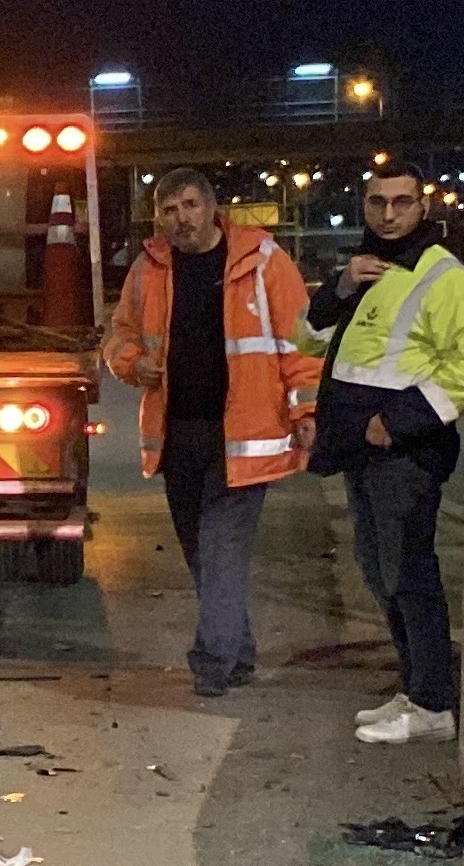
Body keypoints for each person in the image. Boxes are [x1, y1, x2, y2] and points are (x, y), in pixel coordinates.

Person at [102, 168, 321, 697]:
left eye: (191, 205)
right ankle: (238, 654)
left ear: (213, 208)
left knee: (221, 550)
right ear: (159, 217)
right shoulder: (149, 267)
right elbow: (120, 335)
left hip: (245, 437)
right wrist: (132, 363)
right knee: (201, 551)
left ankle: (213, 663)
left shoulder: (262, 260)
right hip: (178, 437)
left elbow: (302, 342)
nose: (182, 218)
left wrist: (307, 410)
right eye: (171, 209)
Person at [306, 163, 464, 745]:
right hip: (362, 448)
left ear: (423, 208)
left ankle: (432, 702)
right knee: (380, 568)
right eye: (376, 203)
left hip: (404, 451)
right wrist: (339, 289)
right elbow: (308, 339)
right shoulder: (368, 271)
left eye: (401, 203)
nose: (388, 214)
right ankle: (414, 686)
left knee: (410, 572)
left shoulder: (444, 276)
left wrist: (399, 420)